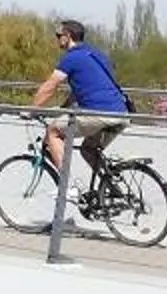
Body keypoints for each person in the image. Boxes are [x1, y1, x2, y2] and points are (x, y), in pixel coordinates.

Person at [29, 18, 131, 194]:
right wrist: (63, 109)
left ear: (68, 36)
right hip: (122, 114)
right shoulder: (95, 54)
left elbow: (50, 86)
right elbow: (82, 89)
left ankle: (68, 187)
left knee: (53, 131)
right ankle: (114, 191)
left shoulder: (71, 58)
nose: (57, 39)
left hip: (99, 114)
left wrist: (31, 110)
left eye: (58, 35)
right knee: (88, 150)